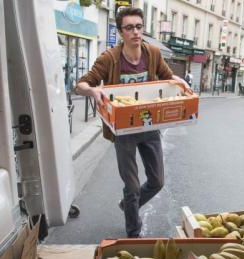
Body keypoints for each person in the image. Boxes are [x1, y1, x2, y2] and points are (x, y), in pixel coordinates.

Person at [74, 7, 185, 238]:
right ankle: (133, 233)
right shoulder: (110, 58)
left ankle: (128, 206)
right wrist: (94, 91)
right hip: (123, 129)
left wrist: (181, 82)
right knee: (132, 187)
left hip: (149, 125)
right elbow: (81, 84)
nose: (136, 32)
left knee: (157, 181)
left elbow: (167, 76)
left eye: (139, 26)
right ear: (121, 32)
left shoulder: (152, 53)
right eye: (129, 28)